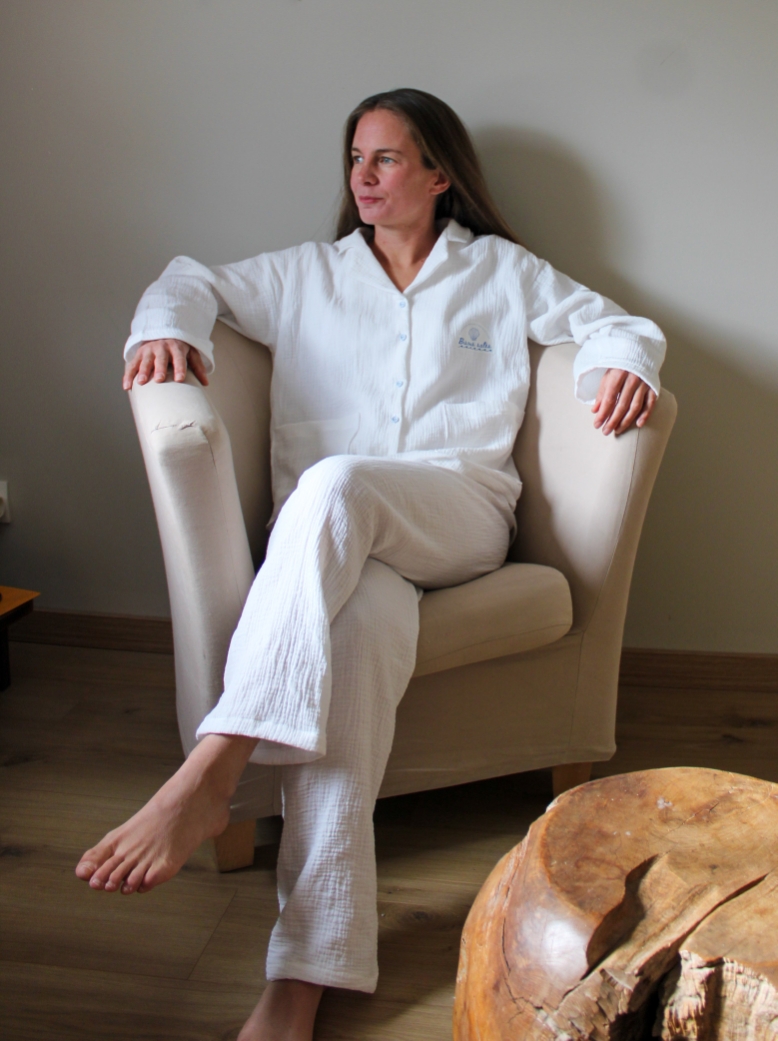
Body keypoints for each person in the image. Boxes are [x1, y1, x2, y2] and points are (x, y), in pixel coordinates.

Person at [76, 89, 665, 1040]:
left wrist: (619, 368)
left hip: (457, 515)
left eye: (387, 158)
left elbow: (617, 324)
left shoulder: (501, 271)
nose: (364, 176)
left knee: (337, 481)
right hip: (343, 554)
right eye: (356, 158)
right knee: (350, 645)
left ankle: (215, 766)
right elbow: (188, 281)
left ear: (439, 175)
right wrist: (162, 330)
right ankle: (303, 976)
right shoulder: (307, 275)